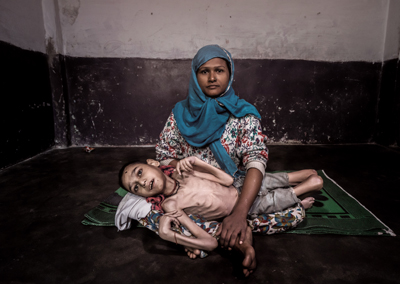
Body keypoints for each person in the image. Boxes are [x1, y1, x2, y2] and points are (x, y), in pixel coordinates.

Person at [156, 44, 301, 248]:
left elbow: (255, 159)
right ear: (195, 76)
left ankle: (228, 226)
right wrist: (182, 166)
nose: (212, 78)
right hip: (192, 191)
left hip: (234, 189)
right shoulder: (180, 112)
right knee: (155, 207)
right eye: (204, 71)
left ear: (230, 73)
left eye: (219, 70)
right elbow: (163, 153)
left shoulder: (243, 113)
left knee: (294, 214)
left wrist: (240, 212)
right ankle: (234, 233)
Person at [118, 156, 323, 276]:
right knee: (269, 203)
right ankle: (301, 190)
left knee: (263, 181)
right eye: (136, 187)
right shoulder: (170, 205)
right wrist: (167, 234)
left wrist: (198, 163)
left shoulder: (183, 172)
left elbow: (226, 180)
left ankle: (296, 178)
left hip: (238, 187)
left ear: (153, 163)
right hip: (237, 210)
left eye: (139, 173)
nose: (142, 183)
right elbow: (208, 242)